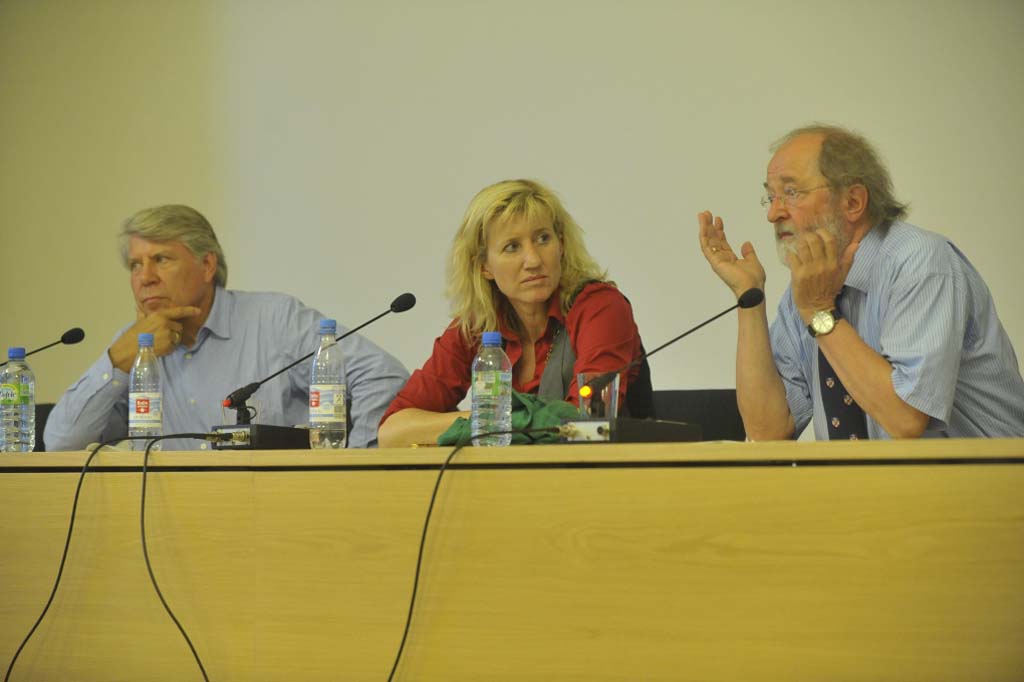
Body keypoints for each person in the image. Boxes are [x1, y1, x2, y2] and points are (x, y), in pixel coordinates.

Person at [698, 124, 1024, 440]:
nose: (773, 214)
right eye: (771, 197)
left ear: (853, 202)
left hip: (987, 473)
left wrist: (820, 313)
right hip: (870, 478)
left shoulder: (920, 262)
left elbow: (905, 419)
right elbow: (768, 431)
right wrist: (750, 297)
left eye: (791, 192)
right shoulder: (809, 289)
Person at [45, 204, 409, 451]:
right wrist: (115, 361)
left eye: (161, 259)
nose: (145, 278)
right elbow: (61, 443)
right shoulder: (134, 351)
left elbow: (381, 376)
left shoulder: (274, 319)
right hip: (169, 520)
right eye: (135, 266)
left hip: (274, 510)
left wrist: (353, 466)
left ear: (206, 266)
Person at [378, 179, 651, 447]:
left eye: (543, 239)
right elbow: (392, 430)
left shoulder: (599, 307)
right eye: (512, 247)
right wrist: (491, 420)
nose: (533, 260)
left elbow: (585, 425)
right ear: (484, 266)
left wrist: (486, 423)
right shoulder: (478, 325)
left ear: (561, 244)